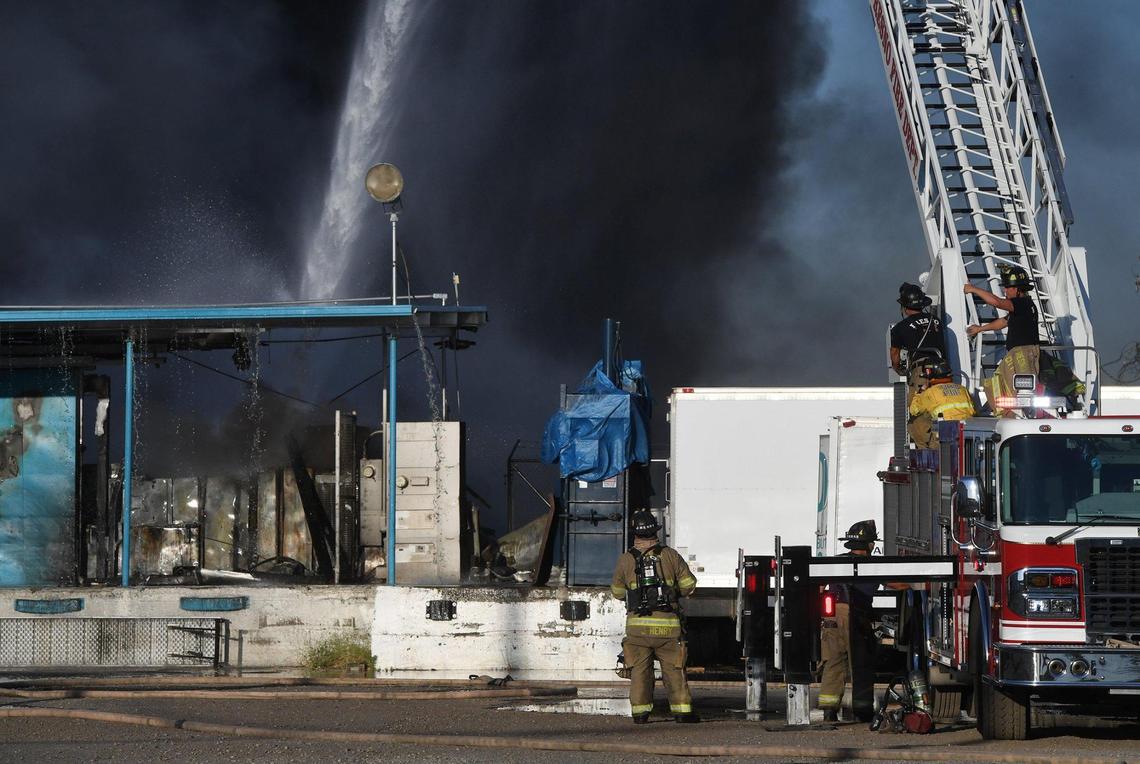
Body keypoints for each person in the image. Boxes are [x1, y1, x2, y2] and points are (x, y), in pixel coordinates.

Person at [611, 509, 699, 724]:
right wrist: (672, 589)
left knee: (640, 672)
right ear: (655, 531)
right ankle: (682, 713)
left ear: (635, 533)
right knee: (674, 670)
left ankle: (640, 715)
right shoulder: (670, 555)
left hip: (637, 630)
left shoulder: (625, 559)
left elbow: (617, 593)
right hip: (668, 629)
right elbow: (689, 586)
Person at [818, 520, 878, 723]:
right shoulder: (874, 565)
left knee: (833, 662)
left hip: (832, 616)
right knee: (860, 664)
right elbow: (898, 583)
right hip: (856, 616)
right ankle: (863, 711)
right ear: (869, 545)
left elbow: (818, 586)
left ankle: (829, 711)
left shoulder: (835, 562)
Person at [964, 267, 1040, 416]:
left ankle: (1016, 418)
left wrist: (973, 289)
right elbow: (1004, 322)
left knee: (1021, 394)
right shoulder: (1023, 308)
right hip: (1016, 355)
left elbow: (997, 302)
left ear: (1018, 289)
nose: (1006, 290)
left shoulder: (1021, 303)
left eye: (1008, 287)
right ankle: (1006, 416)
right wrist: (980, 329)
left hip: (1022, 355)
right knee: (997, 385)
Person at [889, 283, 947, 402]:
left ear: (904, 307)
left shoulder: (900, 328)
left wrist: (897, 368)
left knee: (918, 410)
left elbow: (895, 353)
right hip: (943, 371)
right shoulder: (936, 320)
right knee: (941, 405)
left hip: (922, 373)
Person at [907, 359, 976, 448]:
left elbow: (914, 410)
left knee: (913, 424)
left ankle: (925, 452)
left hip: (945, 435)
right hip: (967, 433)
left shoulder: (931, 392)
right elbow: (974, 411)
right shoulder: (962, 389)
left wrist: (920, 391)